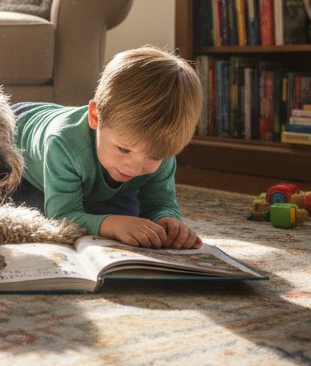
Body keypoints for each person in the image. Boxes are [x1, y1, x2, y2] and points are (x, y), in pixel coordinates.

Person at [11, 46, 203, 249]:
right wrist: (112, 224)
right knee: (30, 210)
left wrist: (167, 220)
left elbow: (160, 204)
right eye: (124, 149)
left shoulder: (161, 148)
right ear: (95, 116)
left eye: (153, 157)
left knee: (130, 221)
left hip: (89, 166)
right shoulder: (62, 144)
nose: (134, 168)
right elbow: (62, 217)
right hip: (15, 136)